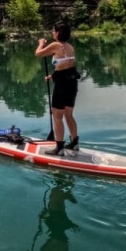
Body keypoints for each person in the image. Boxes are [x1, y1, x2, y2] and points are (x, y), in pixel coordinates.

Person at [35, 19, 79, 155]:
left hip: (62, 84)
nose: (53, 33)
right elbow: (65, 67)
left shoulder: (55, 45)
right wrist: (52, 76)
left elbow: (38, 54)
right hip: (72, 82)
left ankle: (59, 148)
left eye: (54, 30)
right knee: (68, 114)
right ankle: (74, 143)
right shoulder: (70, 47)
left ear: (58, 33)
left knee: (57, 114)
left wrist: (41, 44)